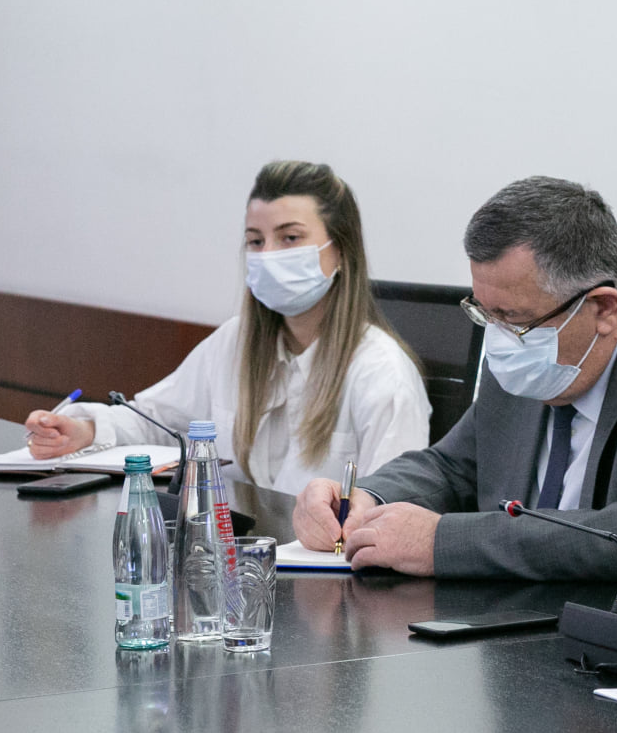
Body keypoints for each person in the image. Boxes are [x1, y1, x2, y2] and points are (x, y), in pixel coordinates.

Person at [292, 176, 617, 582]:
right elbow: (453, 467)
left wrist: (445, 542)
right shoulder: (531, 348)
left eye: (512, 318)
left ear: (603, 308)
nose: (498, 338)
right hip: (511, 629)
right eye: (486, 314)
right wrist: (366, 498)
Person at [23, 161, 429, 495]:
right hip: (229, 550)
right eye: (256, 241)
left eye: (290, 238)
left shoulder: (383, 374)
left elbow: (392, 507)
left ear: (340, 250)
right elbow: (158, 422)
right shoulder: (234, 342)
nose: (268, 255)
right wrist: (85, 429)